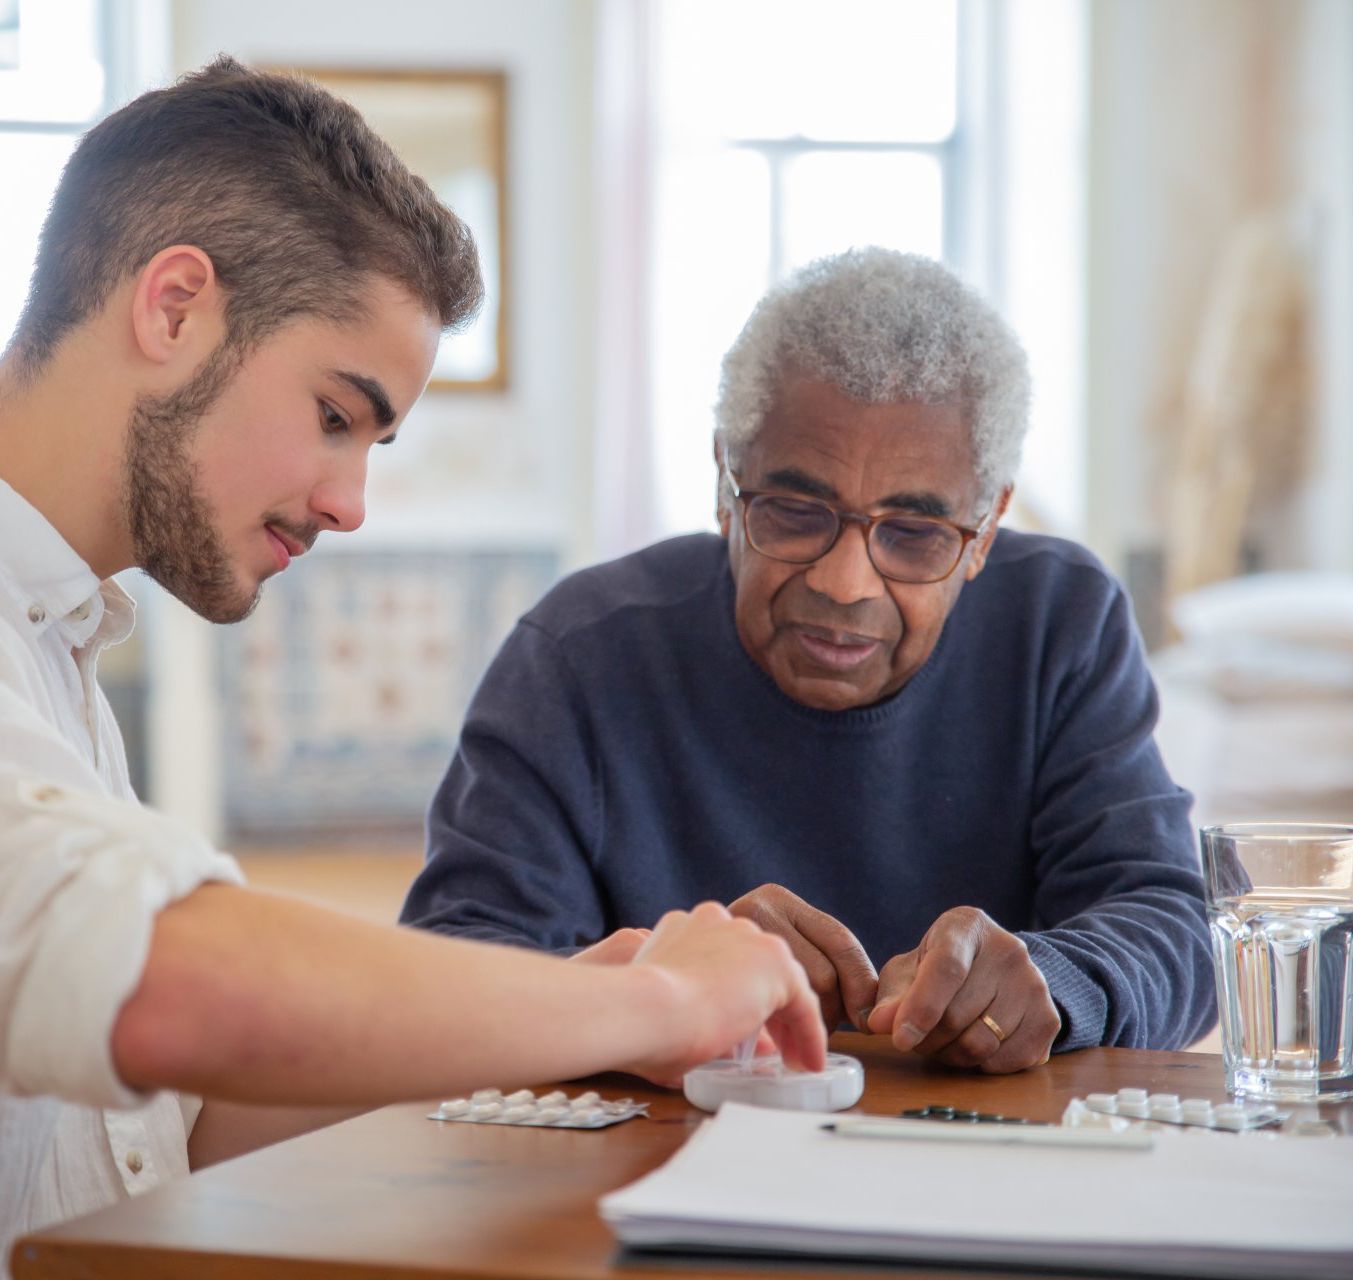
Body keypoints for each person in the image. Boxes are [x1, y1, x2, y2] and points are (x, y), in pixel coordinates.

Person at [0, 58, 823, 1267]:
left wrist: (560, 1022)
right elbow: (163, 980)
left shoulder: (54, 641)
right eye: (337, 415)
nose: (351, 504)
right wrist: (655, 1000)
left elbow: (180, 1110)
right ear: (174, 308)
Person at [403, 246, 1217, 1074]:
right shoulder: (580, 655)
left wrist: (1059, 977)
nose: (843, 582)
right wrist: (666, 986)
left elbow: (1175, 927)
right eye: (794, 512)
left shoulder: (1061, 625)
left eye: (915, 534)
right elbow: (454, 978)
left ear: (987, 528)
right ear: (725, 482)